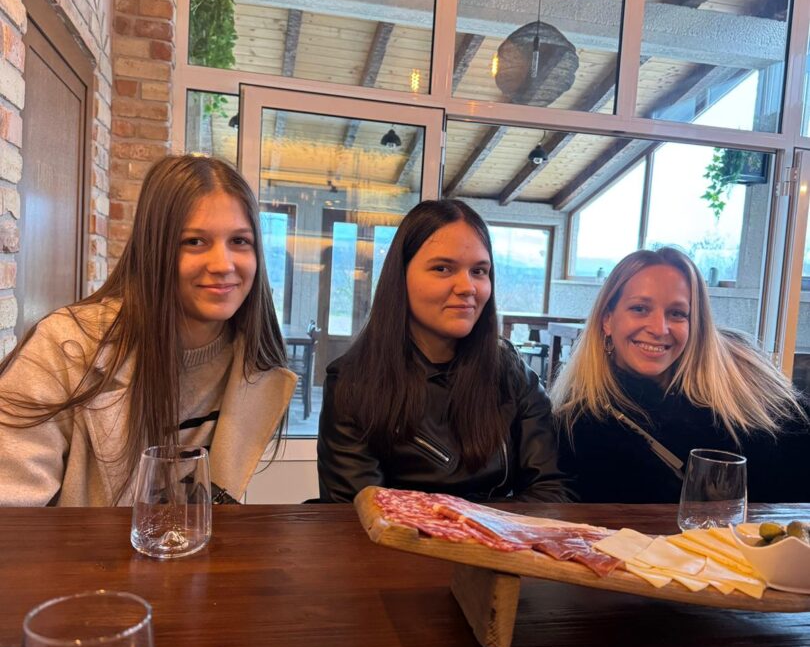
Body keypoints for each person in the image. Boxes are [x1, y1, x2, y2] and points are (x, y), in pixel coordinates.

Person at [0, 155, 296, 506]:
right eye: (194, 241)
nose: (223, 265)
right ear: (153, 248)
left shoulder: (254, 368)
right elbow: (11, 511)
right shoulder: (65, 348)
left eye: (240, 241)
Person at [317, 199, 569, 503]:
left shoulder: (513, 374)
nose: (467, 287)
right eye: (442, 268)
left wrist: (474, 526)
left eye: (479, 271)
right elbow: (360, 512)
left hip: (501, 535)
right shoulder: (353, 383)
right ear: (401, 277)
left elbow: (550, 492)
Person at [550, 246, 809, 503]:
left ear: (694, 324)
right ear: (607, 319)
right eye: (640, 308)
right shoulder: (576, 421)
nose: (659, 328)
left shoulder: (740, 383)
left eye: (677, 314)